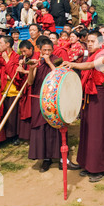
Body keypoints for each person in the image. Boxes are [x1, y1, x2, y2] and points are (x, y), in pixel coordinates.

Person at [62, 31, 104, 182]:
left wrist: (72, 64)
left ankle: (101, 168)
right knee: (87, 129)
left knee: (97, 131)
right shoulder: (92, 54)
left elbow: (91, 65)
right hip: (88, 95)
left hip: (99, 94)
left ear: (100, 42)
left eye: (93, 41)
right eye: (88, 41)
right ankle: (87, 164)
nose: (90, 44)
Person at [27, 38, 77, 172]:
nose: (47, 53)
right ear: (40, 50)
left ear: (53, 50)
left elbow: (59, 76)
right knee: (42, 129)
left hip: (55, 101)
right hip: (40, 100)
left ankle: (62, 159)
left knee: (57, 128)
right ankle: (46, 159)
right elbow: (30, 83)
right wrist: (31, 69)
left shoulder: (57, 61)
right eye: (45, 50)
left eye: (49, 50)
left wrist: (49, 62)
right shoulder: (36, 62)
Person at [0, 35, 21, 146]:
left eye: (0, 43)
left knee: (13, 115)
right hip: (1, 89)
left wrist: (7, 61)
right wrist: (4, 76)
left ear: (7, 44)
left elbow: (15, 75)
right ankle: (3, 136)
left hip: (13, 90)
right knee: (3, 113)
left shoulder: (16, 57)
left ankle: (14, 136)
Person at [15, 40, 39, 141]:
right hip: (25, 88)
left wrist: (24, 71)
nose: (23, 54)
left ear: (31, 49)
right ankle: (24, 135)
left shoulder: (37, 57)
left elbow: (37, 72)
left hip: (34, 88)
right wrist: (20, 66)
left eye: (25, 51)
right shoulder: (22, 58)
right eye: (22, 52)